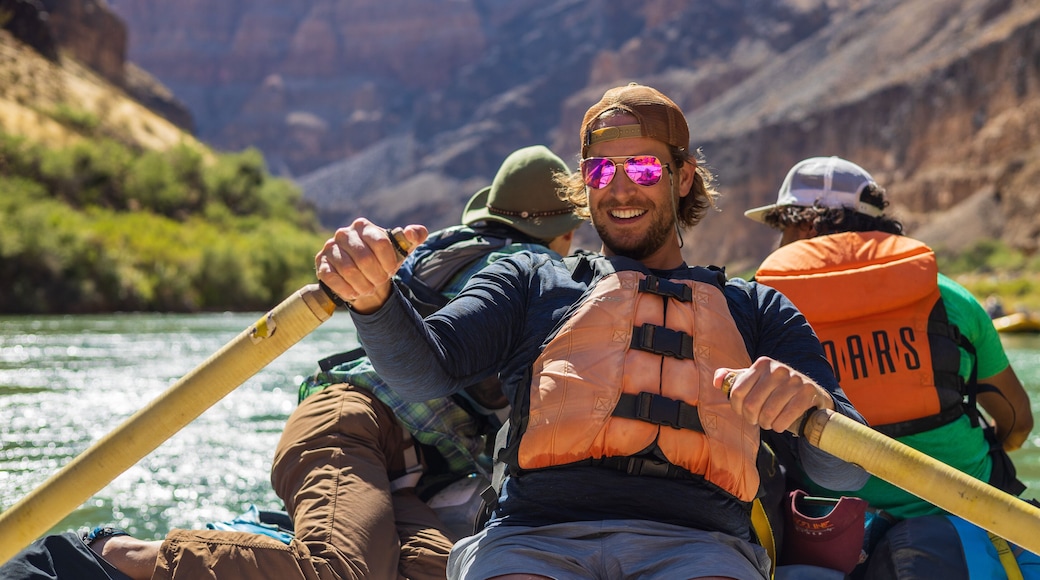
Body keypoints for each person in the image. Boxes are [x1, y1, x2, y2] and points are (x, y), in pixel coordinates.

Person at [316, 83, 868, 580]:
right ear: (584, 183)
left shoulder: (757, 309)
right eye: (601, 171)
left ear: (682, 177)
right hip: (532, 541)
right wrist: (374, 300)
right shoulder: (529, 278)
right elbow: (424, 372)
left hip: (699, 546)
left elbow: (845, 473)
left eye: (644, 171)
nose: (620, 189)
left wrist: (812, 407)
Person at [0, 145, 584, 580]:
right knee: (338, 571)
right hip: (352, 423)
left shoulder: (443, 251)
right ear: (561, 236)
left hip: (413, 467)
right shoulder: (527, 275)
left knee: (454, 572)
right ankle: (109, 555)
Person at [746, 156, 1035, 576]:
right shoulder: (951, 298)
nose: (778, 244)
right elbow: (1020, 421)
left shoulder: (767, 313)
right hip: (965, 523)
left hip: (827, 532)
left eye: (783, 229)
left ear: (807, 226)